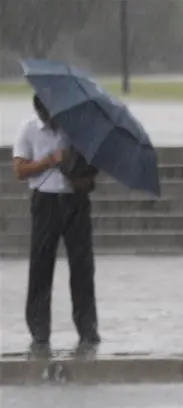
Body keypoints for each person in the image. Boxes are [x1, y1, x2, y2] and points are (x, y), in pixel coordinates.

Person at [12, 95, 100, 359]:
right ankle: (39, 328)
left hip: (75, 201)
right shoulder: (29, 129)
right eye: (46, 114)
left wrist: (78, 176)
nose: (52, 119)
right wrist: (50, 160)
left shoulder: (77, 129)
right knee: (41, 265)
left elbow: (92, 169)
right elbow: (19, 170)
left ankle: (87, 327)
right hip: (45, 201)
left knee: (82, 266)